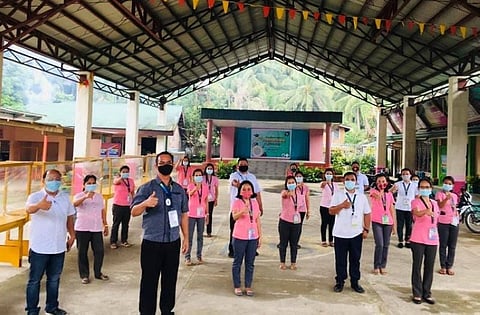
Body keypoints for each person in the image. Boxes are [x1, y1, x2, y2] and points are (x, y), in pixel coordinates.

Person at [131, 151, 189, 315]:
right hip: (152, 243)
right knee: (149, 280)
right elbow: (134, 211)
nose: (165, 165)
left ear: (173, 164)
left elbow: (184, 214)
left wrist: (186, 238)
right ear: (156, 166)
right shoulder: (147, 188)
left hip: (172, 242)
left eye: (168, 162)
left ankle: (166, 310)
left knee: (170, 280)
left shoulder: (179, 190)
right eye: (161, 162)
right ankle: (146, 312)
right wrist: (146, 203)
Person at [25, 169, 75, 315]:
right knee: (34, 281)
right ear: (44, 181)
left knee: (54, 279)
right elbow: (28, 209)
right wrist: (39, 206)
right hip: (39, 248)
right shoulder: (36, 196)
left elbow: (70, 217)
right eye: (51, 179)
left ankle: (52, 307)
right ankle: (32, 310)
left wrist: (72, 235)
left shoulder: (65, 198)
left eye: (57, 179)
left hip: (59, 247)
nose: (55, 182)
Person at [329, 171, 371, 294]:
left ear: (356, 181)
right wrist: (342, 205)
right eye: (347, 179)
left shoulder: (361, 197)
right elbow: (331, 211)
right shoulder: (338, 195)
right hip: (340, 233)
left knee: (355, 259)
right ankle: (340, 281)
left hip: (356, 233)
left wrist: (366, 229)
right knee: (340, 259)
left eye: (352, 179)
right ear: (343, 181)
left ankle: (355, 282)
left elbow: (367, 213)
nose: (350, 181)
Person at [73, 174, 109, 284]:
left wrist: (105, 224)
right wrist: (85, 197)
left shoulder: (99, 196)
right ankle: (84, 275)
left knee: (99, 251)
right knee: (82, 252)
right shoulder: (79, 195)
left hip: (96, 227)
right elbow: (74, 204)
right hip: (82, 227)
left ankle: (98, 272)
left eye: (93, 183)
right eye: (89, 183)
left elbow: (102, 211)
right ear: (84, 185)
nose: (91, 185)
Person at [410, 178, 439, 305]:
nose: (425, 189)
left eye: (427, 187)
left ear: (431, 189)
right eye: (422, 187)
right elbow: (416, 213)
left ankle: (427, 292)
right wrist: (425, 212)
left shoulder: (434, 203)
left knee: (429, 266)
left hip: (432, 239)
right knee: (417, 266)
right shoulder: (415, 201)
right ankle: (417, 292)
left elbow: (437, 218)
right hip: (418, 238)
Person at [231, 180, 262, 296]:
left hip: (252, 237)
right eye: (244, 189)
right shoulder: (237, 202)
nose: (246, 191)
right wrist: (242, 211)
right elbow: (234, 217)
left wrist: (260, 236)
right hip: (239, 236)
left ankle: (248, 286)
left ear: (252, 191)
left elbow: (257, 219)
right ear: (240, 191)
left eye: (249, 189)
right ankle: (237, 285)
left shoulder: (254, 203)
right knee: (237, 262)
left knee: (250, 262)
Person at [228, 158, 263, 258]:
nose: (243, 165)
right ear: (238, 166)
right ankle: (232, 250)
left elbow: (257, 192)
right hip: (237, 208)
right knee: (235, 230)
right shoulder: (234, 175)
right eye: (241, 164)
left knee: (253, 227)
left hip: (251, 207)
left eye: (245, 164)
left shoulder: (252, 177)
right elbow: (234, 183)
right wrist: (242, 187)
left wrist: (260, 205)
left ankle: (252, 249)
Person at [369, 174, 396, 275]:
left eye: (383, 181)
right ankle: (376, 265)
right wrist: (382, 190)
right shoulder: (373, 191)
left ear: (387, 182)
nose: (381, 183)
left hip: (388, 222)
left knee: (386, 244)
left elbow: (391, 209)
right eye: (379, 181)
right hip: (377, 221)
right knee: (379, 244)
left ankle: (383, 265)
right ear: (376, 183)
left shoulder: (389, 195)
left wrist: (394, 225)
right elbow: (377, 195)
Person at [435, 176, 459, 276]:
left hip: (453, 221)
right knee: (443, 245)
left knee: (452, 246)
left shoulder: (454, 196)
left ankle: (449, 266)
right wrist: (446, 199)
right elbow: (440, 206)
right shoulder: (439, 194)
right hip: (443, 222)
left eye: (450, 184)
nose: (447, 185)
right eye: (446, 183)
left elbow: (454, 206)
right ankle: (443, 266)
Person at [185, 169, 209, 266]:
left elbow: (206, 200)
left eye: (200, 175)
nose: (198, 176)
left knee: (200, 236)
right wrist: (196, 188)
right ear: (194, 177)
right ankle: (187, 257)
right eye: (196, 175)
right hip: (191, 214)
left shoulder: (206, 187)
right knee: (189, 236)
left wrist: (207, 213)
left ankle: (199, 255)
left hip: (201, 214)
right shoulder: (190, 186)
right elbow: (189, 194)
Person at [278, 176, 303, 270]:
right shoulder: (284, 192)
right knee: (283, 243)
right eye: (289, 183)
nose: (291, 184)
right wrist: (290, 193)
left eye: (293, 182)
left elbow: (300, 207)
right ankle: (282, 262)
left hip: (296, 223)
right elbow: (284, 195)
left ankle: (293, 262)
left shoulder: (300, 196)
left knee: (294, 244)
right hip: (284, 221)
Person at [390, 168, 418, 249]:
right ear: (401, 175)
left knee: (409, 225)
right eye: (404, 174)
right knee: (400, 225)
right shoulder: (397, 184)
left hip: (410, 207)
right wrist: (393, 190)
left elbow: (416, 196)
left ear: (410, 175)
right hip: (400, 207)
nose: (405, 175)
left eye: (407, 174)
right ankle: (400, 240)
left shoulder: (414, 185)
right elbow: (390, 192)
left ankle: (408, 240)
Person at [111, 165, 135, 249]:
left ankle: (124, 240)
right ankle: (113, 241)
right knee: (116, 224)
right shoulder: (118, 180)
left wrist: (133, 202)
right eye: (123, 172)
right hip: (118, 205)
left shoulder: (131, 181)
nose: (125, 173)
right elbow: (115, 182)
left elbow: (132, 192)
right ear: (120, 172)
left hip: (127, 205)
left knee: (125, 224)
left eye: (127, 172)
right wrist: (121, 177)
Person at [319, 168, 338, 247]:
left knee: (332, 224)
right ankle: (323, 240)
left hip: (332, 207)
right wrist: (327, 181)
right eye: (327, 174)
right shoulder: (324, 183)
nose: (329, 175)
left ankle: (331, 240)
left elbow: (338, 195)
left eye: (330, 174)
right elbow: (322, 185)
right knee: (324, 223)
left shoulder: (335, 185)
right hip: (324, 206)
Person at [294, 170, 310, 248]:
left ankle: (296, 242)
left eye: (300, 176)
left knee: (299, 226)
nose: (298, 178)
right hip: (293, 209)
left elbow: (307, 199)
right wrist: (295, 187)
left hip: (302, 210)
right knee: (291, 225)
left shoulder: (306, 188)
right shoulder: (292, 186)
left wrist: (308, 210)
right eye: (297, 177)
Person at [204, 163, 219, 237]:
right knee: (202, 215)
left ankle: (209, 231)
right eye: (208, 168)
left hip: (211, 199)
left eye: (211, 169)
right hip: (203, 199)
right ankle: (201, 230)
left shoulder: (215, 178)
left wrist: (216, 199)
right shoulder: (203, 177)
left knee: (209, 215)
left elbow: (216, 190)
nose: (209, 170)